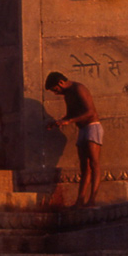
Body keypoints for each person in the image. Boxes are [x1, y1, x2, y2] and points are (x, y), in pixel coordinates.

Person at [45, 71, 102, 207]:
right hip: (82, 130)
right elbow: (70, 114)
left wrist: (69, 121)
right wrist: (58, 122)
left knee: (94, 163)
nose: (56, 93)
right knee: (84, 167)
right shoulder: (68, 95)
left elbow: (91, 113)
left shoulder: (79, 89)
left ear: (60, 83)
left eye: (55, 90)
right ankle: (80, 200)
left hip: (92, 127)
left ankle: (92, 199)